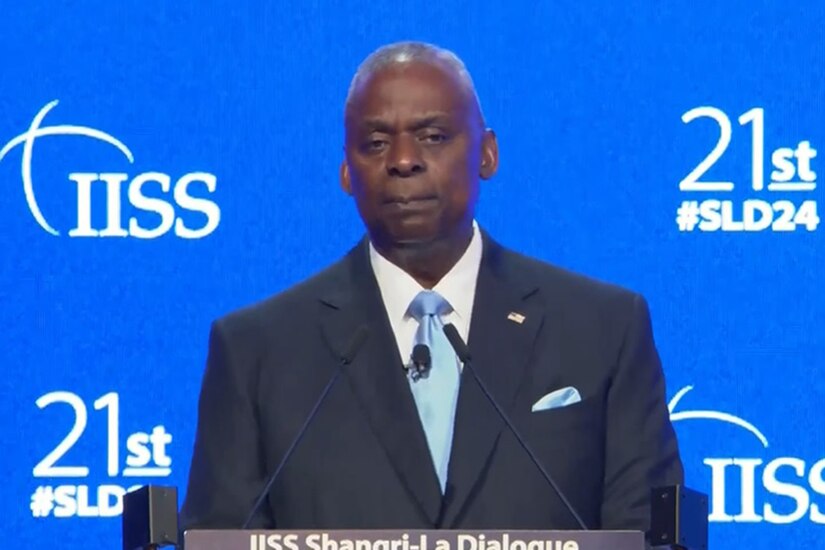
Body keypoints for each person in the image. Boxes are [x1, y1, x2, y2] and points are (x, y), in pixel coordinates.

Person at [179, 41, 683, 538]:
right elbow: (221, 533)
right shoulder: (257, 351)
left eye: (433, 136)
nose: (402, 160)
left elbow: (647, 531)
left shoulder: (603, 329)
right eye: (375, 143)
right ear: (345, 172)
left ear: (487, 154)